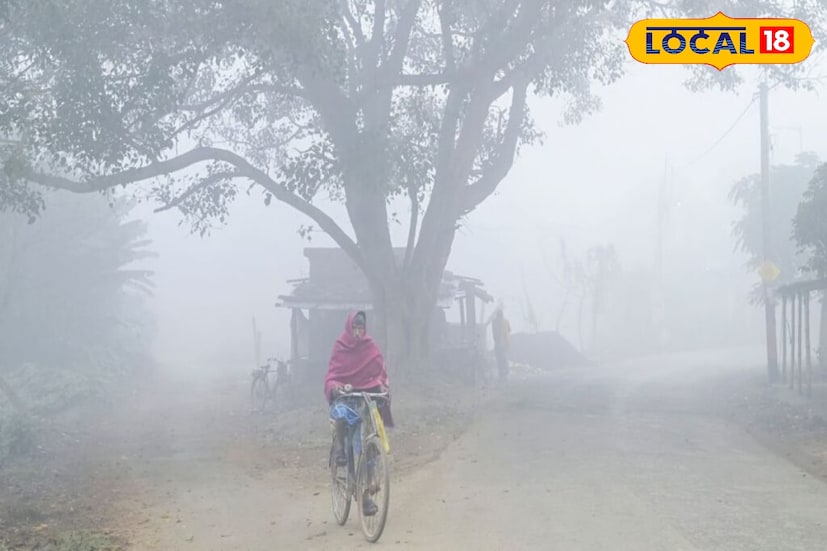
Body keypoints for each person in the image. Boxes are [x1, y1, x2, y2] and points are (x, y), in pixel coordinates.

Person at [324, 310, 394, 516]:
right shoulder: (340, 346)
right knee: (341, 415)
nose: (358, 332)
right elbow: (332, 374)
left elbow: (380, 371)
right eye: (355, 327)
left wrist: (382, 387)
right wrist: (337, 387)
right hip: (347, 398)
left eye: (361, 327)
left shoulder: (370, 346)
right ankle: (338, 449)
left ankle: (366, 497)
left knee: (367, 446)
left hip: (366, 399)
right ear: (349, 327)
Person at [491, 305, 511, 382]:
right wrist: (508, 343)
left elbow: (494, 334)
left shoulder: (494, 322)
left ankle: (502, 373)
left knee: (500, 359)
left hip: (498, 344)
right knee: (503, 359)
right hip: (503, 344)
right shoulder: (505, 321)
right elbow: (508, 332)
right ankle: (505, 373)